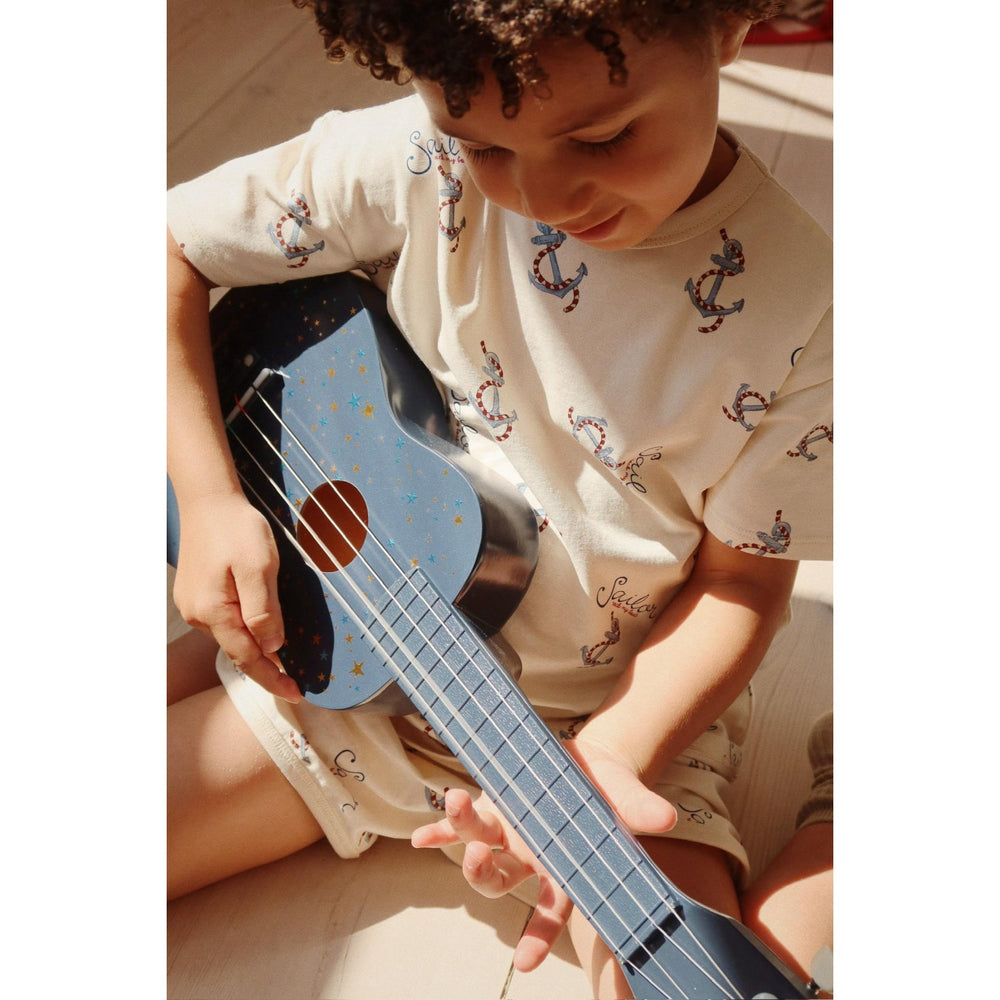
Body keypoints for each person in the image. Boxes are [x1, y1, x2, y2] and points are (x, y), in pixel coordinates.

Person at [166, 1, 833, 996]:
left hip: (610, 724)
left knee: (693, 979)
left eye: (602, 138)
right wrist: (210, 499)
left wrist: (609, 759)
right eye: (484, 146)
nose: (543, 195)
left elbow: (742, 585)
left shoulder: (808, 311)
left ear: (729, 23)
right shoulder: (417, 156)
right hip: (364, 658)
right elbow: (163, 248)